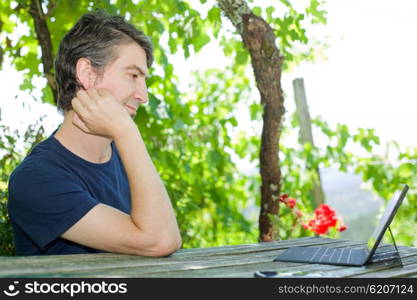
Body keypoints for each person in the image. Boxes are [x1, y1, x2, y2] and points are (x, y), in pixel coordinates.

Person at [7, 11, 182, 256]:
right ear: (87, 74)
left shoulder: (126, 159)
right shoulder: (36, 179)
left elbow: (168, 235)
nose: (144, 96)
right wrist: (126, 131)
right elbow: (159, 241)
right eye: (133, 75)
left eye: (144, 80)